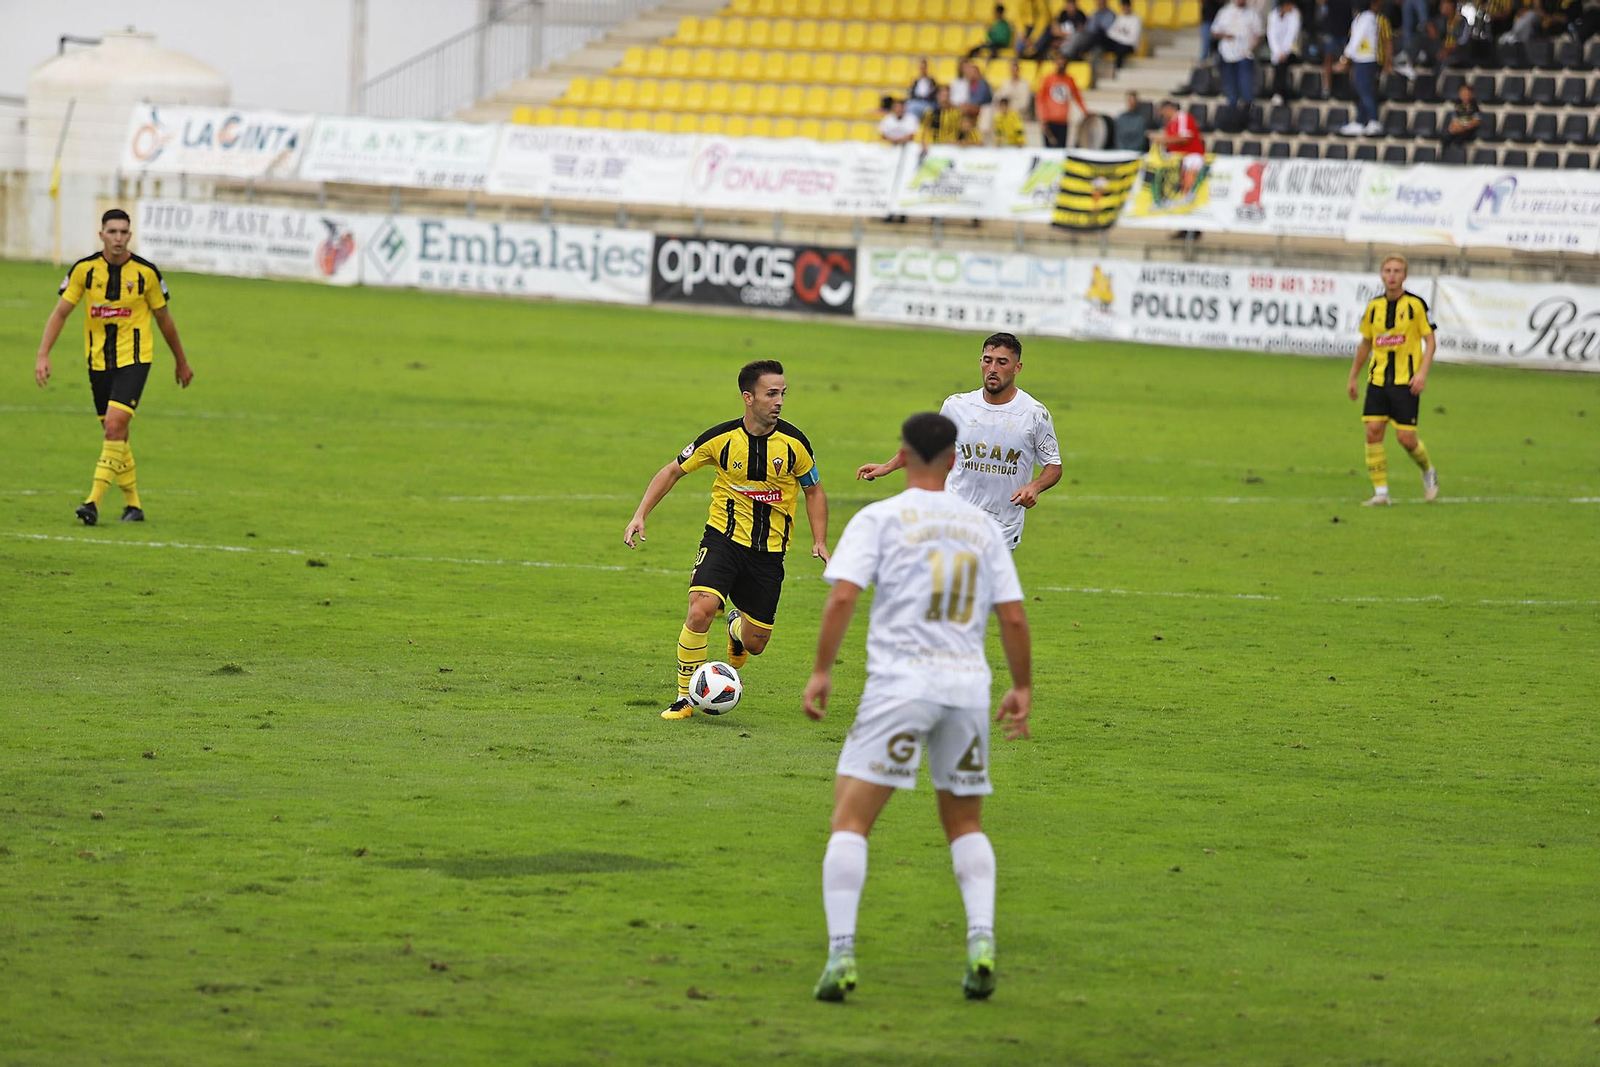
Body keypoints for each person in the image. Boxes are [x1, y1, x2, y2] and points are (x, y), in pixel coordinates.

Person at [803, 411, 1032, 1003]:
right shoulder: (981, 527)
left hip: (899, 686)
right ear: (955, 459)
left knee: (850, 821)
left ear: (902, 455)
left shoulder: (878, 518)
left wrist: (823, 671)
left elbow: (843, 597)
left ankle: (841, 955)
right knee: (965, 824)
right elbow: (1011, 614)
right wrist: (1022, 686)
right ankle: (981, 941)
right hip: (966, 691)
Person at [623, 360, 829, 719]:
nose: (779, 401)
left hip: (768, 554)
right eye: (771, 394)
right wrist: (640, 514)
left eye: (782, 393)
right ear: (748, 398)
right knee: (700, 609)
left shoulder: (795, 444)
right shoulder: (721, 439)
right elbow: (672, 471)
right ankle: (685, 698)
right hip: (723, 539)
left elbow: (813, 491)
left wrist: (820, 540)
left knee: (756, 643)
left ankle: (736, 629)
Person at [34, 208, 194, 526]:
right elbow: (60, 313)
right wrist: (43, 354)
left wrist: (181, 360)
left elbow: (164, 320)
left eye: (124, 232)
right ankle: (133, 506)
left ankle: (92, 502)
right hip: (98, 362)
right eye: (113, 232)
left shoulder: (146, 273)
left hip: (135, 360)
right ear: (101, 234)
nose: (118, 238)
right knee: (116, 434)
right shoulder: (85, 270)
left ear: (129, 236)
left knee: (113, 426)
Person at [855, 333, 1061, 552]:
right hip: (952, 518)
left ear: (1017, 368)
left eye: (1002, 362)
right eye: (987, 360)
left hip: (1001, 528)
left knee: (976, 586)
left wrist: (1035, 486)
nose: (993, 368)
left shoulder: (1034, 413)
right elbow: (929, 445)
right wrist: (886, 467)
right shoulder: (957, 405)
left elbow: (1054, 466)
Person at [1346, 255, 1439, 507]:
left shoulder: (1415, 305)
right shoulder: (1374, 306)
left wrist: (1421, 373)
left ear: (1405, 276)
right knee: (1373, 431)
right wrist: (1353, 375)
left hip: (1406, 381)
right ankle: (1381, 492)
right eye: (1387, 270)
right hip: (1377, 379)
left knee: (1405, 439)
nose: (1392, 275)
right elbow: (1366, 342)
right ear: (1381, 275)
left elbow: (1430, 341)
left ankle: (1428, 471)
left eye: (1397, 271)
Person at [1153, 99, 1207, 237]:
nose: (1162, 115)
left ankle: (1193, 228)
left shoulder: (1182, 117)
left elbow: (1185, 138)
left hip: (1192, 158)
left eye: (1162, 112)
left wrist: (1163, 140)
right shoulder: (1170, 124)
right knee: (1181, 196)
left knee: (1188, 194)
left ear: (1169, 108)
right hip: (1179, 162)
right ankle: (1185, 227)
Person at [1336, 0, 1389, 136]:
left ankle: (1374, 120)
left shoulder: (1367, 18)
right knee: (1362, 91)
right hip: (1360, 59)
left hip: (1367, 60)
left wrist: (1345, 58)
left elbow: (1356, 40)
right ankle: (1360, 121)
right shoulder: (1361, 18)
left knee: (1365, 91)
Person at [1212, 0, 1265, 115]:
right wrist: (1224, 35)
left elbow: (1260, 34)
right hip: (1227, 54)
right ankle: (1233, 110)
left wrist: (1252, 48)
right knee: (1230, 85)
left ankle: (1247, 110)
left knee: (1245, 84)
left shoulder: (1253, 14)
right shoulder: (1224, 12)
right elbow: (1214, 31)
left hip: (1244, 54)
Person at [1035, 54, 1091, 147]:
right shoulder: (1048, 79)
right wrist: (1042, 117)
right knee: (1049, 150)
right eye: (1059, 61)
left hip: (1063, 121)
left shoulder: (1069, 80)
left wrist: (1085, 111)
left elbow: (1077, 97)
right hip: (1049, 121)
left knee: (1061, 149)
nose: (1061, 64)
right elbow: (1040, 99)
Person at [1311, 0, 1353, 97]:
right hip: (1331, 31)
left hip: (1345, 31)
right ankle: (1327, 88)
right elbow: (1319, 2)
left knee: (1348, 61)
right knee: (1328, 60)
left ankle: (1348, 88)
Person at [1267, 0, 1302, 103]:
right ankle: (1280, 93)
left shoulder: (1295, 15)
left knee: (1281, 65)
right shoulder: (1272, 16)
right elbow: (1271, 36)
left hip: (1291, 51)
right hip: (1276, 53)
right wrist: (1278, 52)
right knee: (1279, 64)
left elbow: (1292, 35)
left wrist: (1284, 52)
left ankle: (1278, 93)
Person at [1101, 0, 1146, 69]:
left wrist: (1118, 37)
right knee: (1100, 37)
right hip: (1117, 42)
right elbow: (1111, 33)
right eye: (1123, 7)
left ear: (1129, 7)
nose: (1124, 9)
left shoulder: (1136, 20)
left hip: (1129, 45)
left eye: (1126, 7)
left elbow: (1133, 38)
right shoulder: (1120, 18)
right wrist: (1119, 37)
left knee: (1120, 50)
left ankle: (1118, 70)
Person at [921, 85, 966, 149]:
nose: (944, 99)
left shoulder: (957, 113)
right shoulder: (930, 112)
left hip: (952, 147)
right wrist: (923, 143)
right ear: (938, 97)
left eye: (947, 96)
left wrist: (960, 141)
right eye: (943, 96)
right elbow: (925, 129)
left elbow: (964, 129)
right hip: (935, 146)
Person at [1440, 81, 1480, 149]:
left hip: (1468, 130)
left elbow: (1476, 122)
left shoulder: (1475, 107)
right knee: (1445, 138)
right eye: (1462, 93)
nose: (1464, 95)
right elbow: (1454, 120)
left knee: (1459, 139)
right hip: (1458, 128)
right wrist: (1452, 128)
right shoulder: (1458, 106)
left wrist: (1463, 127)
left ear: (1471, 94)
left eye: (1466, 93)